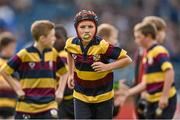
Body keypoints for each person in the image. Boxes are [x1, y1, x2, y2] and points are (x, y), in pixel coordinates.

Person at [65, 10, 132, 119]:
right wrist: (71, 74)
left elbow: (127, 59)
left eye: (90, 26)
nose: (86, 30)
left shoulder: (102, 45)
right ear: (76, 29)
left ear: (95, 28)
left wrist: (107, 67)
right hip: (81, 96)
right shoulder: (70, 43)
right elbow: (69, 52)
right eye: (82, 27)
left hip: (104, 97)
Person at [0, 20, 68, 119]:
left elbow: (64, 72)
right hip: (26, 107)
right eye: (52, 36)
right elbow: (4, 71)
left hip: (48, 105)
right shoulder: (24, 54)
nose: (54, 39)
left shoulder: (53, 53)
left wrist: (60, 91)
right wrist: (17, 88)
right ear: (42, 39)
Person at [123, 22, 176, 119]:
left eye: (138, 37)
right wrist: (127, 92)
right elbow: (146, 83)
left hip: (163, 100)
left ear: (148, 36)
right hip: (152, 100)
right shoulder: (147, 54)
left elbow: (169, 71)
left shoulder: (158, 50)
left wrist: (164, 96)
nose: (136, 40)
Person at [133, 16, 167, 119]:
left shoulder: (141, 51)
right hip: (148, 95)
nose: (164, 34)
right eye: (162, 30)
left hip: (141, 94)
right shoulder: (151, 51)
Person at [97, 23, 129, 117]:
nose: (116, 42)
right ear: (105, 38)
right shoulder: (96, 55)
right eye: (114, 38)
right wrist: (116, 86)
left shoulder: (105, 57)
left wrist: (116, 85)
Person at [54, 24, 74, 119]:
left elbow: (62, 74)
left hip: (66, 99)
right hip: (73, 98)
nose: (53, 42)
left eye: (56, 38)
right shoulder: (70, 52)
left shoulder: (63, 55)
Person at [0, 32, 17, 119]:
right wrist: (12, 84)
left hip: (12, 106)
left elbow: (19, 84)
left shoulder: (14, 64)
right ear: (3, 47)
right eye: (11, 47)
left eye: (14, 48)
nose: (13, 50)